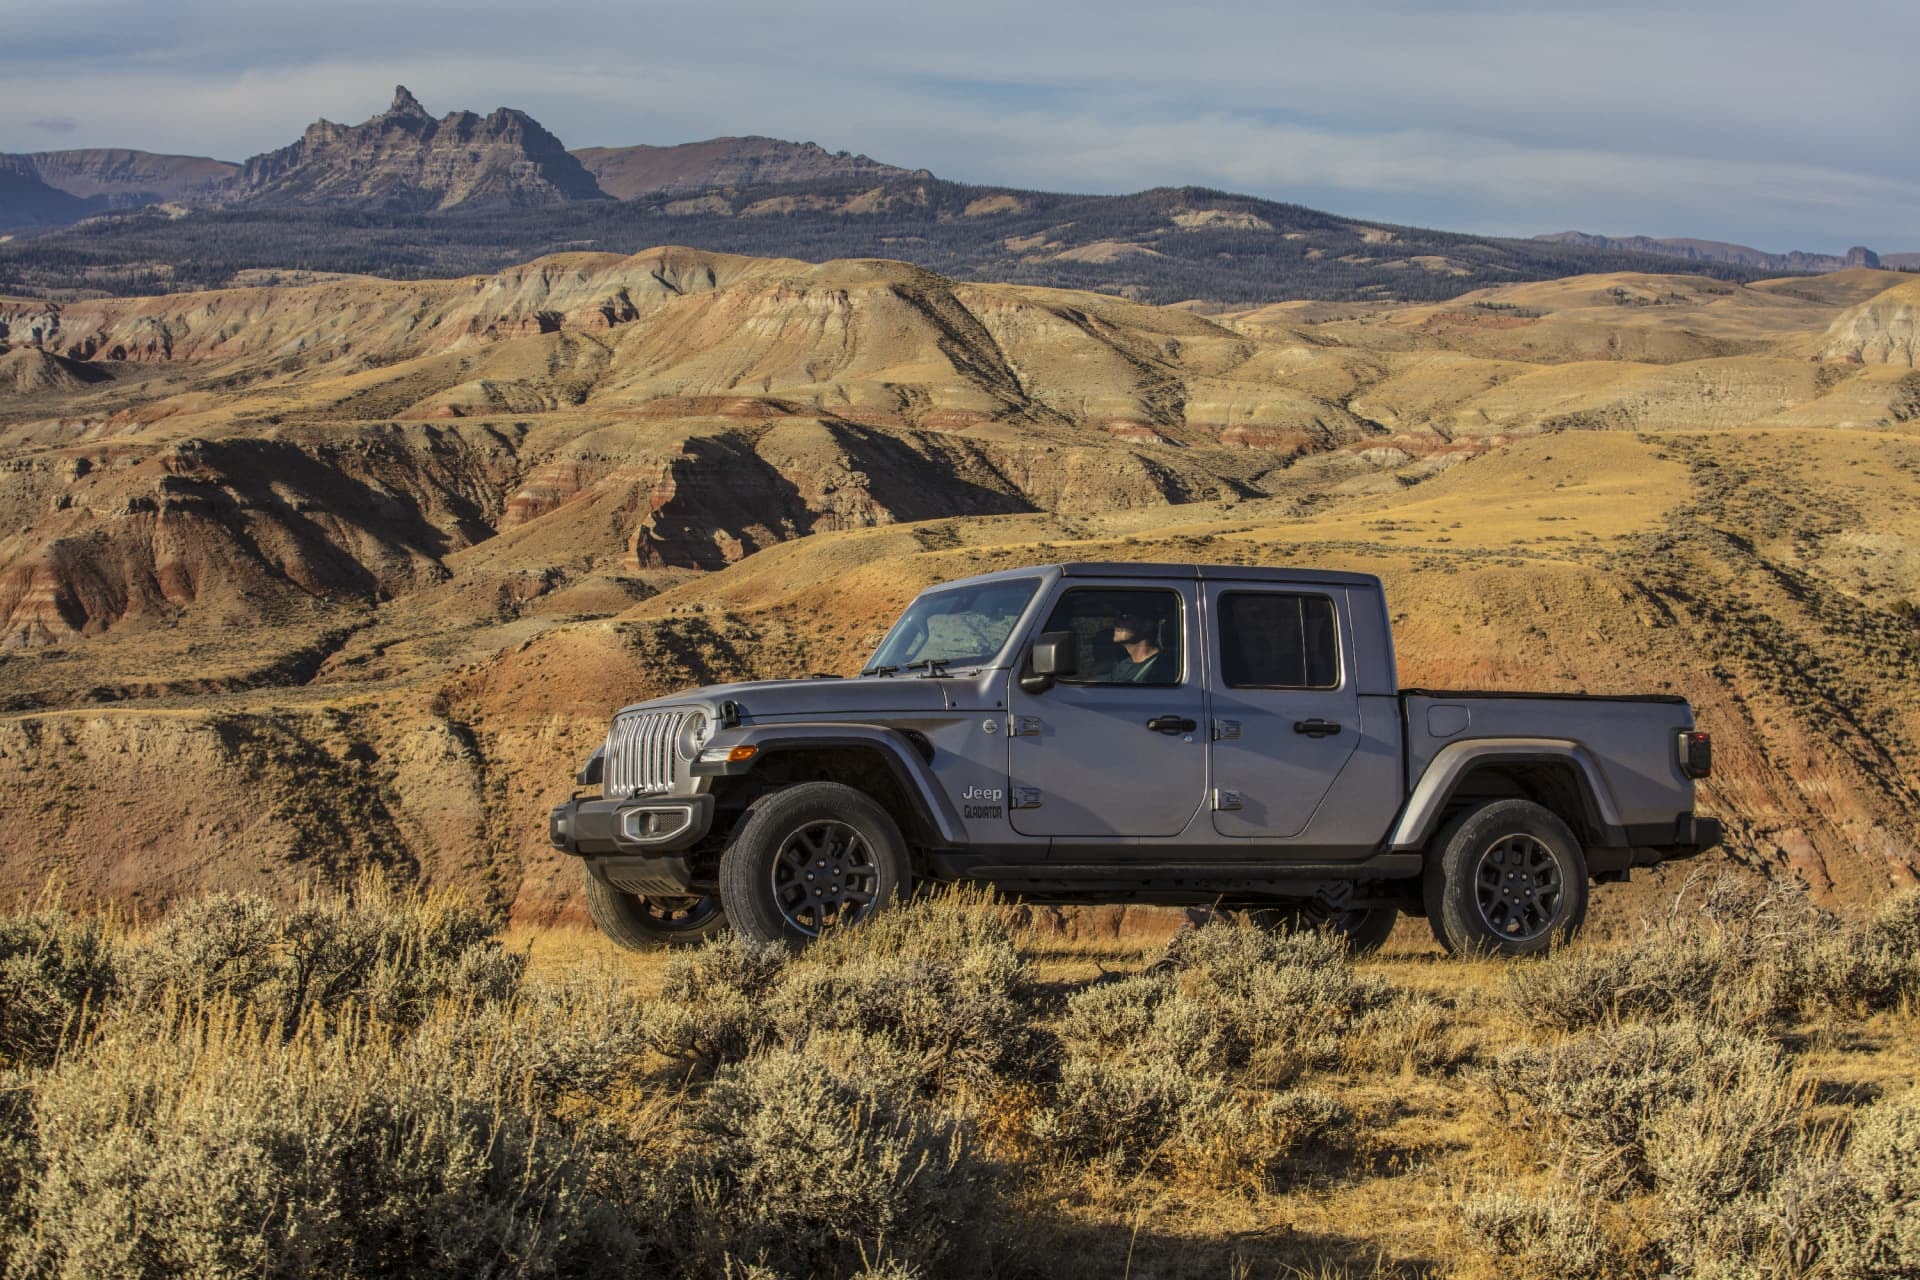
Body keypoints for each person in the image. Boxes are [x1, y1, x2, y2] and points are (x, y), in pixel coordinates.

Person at [1106, 610, 1172, 683]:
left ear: (1147, 625)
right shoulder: (1122, 665)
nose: (1115, 622)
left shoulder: (1163, 667)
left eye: (1124, 617)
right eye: (1116, 617)